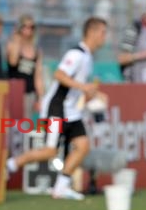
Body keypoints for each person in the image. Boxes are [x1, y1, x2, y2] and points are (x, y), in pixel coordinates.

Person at [6, 17, 108, 200]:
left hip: (72, 112)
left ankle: (61, 187)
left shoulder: (88, 57)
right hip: (56, 108)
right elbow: (59, 74)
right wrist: (83, 87)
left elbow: (77, 87)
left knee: (83, 146)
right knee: (50, 151)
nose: (105, 37)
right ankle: (11, 164)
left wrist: (95, 95)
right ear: (91, 32)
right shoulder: (76, 54)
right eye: (102, 32)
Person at [6, 14, 45, 117]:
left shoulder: (37, 51)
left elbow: (38, 77)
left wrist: (40, 98)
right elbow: (13, 62)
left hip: (29, 94)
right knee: (12, 124)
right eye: (25, 27)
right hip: (14, 93)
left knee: (25, 127)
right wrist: (17, 40)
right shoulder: (12, 45)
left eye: (31, 27)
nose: (28, 30)